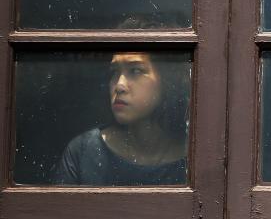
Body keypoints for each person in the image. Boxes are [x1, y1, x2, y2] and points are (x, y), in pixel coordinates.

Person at [52, 16, 190, 185]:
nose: (119, 86)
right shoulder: (84, 151)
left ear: (168, 79)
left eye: (136, 71)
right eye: (114, 72)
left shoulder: (193, 158)